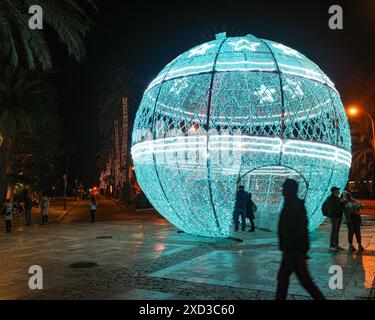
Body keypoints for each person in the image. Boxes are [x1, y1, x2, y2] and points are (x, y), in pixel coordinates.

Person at [276, 179, 325, 300]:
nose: (282, 190)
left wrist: (290, 247)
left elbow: (300, 228)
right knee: (283, 278)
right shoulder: (290, 203)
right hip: (291, 250)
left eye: (284, 188)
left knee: (305, 282)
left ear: (290, 190)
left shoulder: (295, 205)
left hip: (293, 251)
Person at [325, 187, 345, 252]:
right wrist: (340, 201)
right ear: (334, 191)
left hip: (339, 216)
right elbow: (333, 206)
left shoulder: (337, 198)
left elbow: (341, 206)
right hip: (334, 216)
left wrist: (343, 202)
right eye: (337, 190)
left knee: (337, 230)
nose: (339, 192)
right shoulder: (330, 198)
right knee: (334, 230)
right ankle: (331, 245)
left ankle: (336, 244)